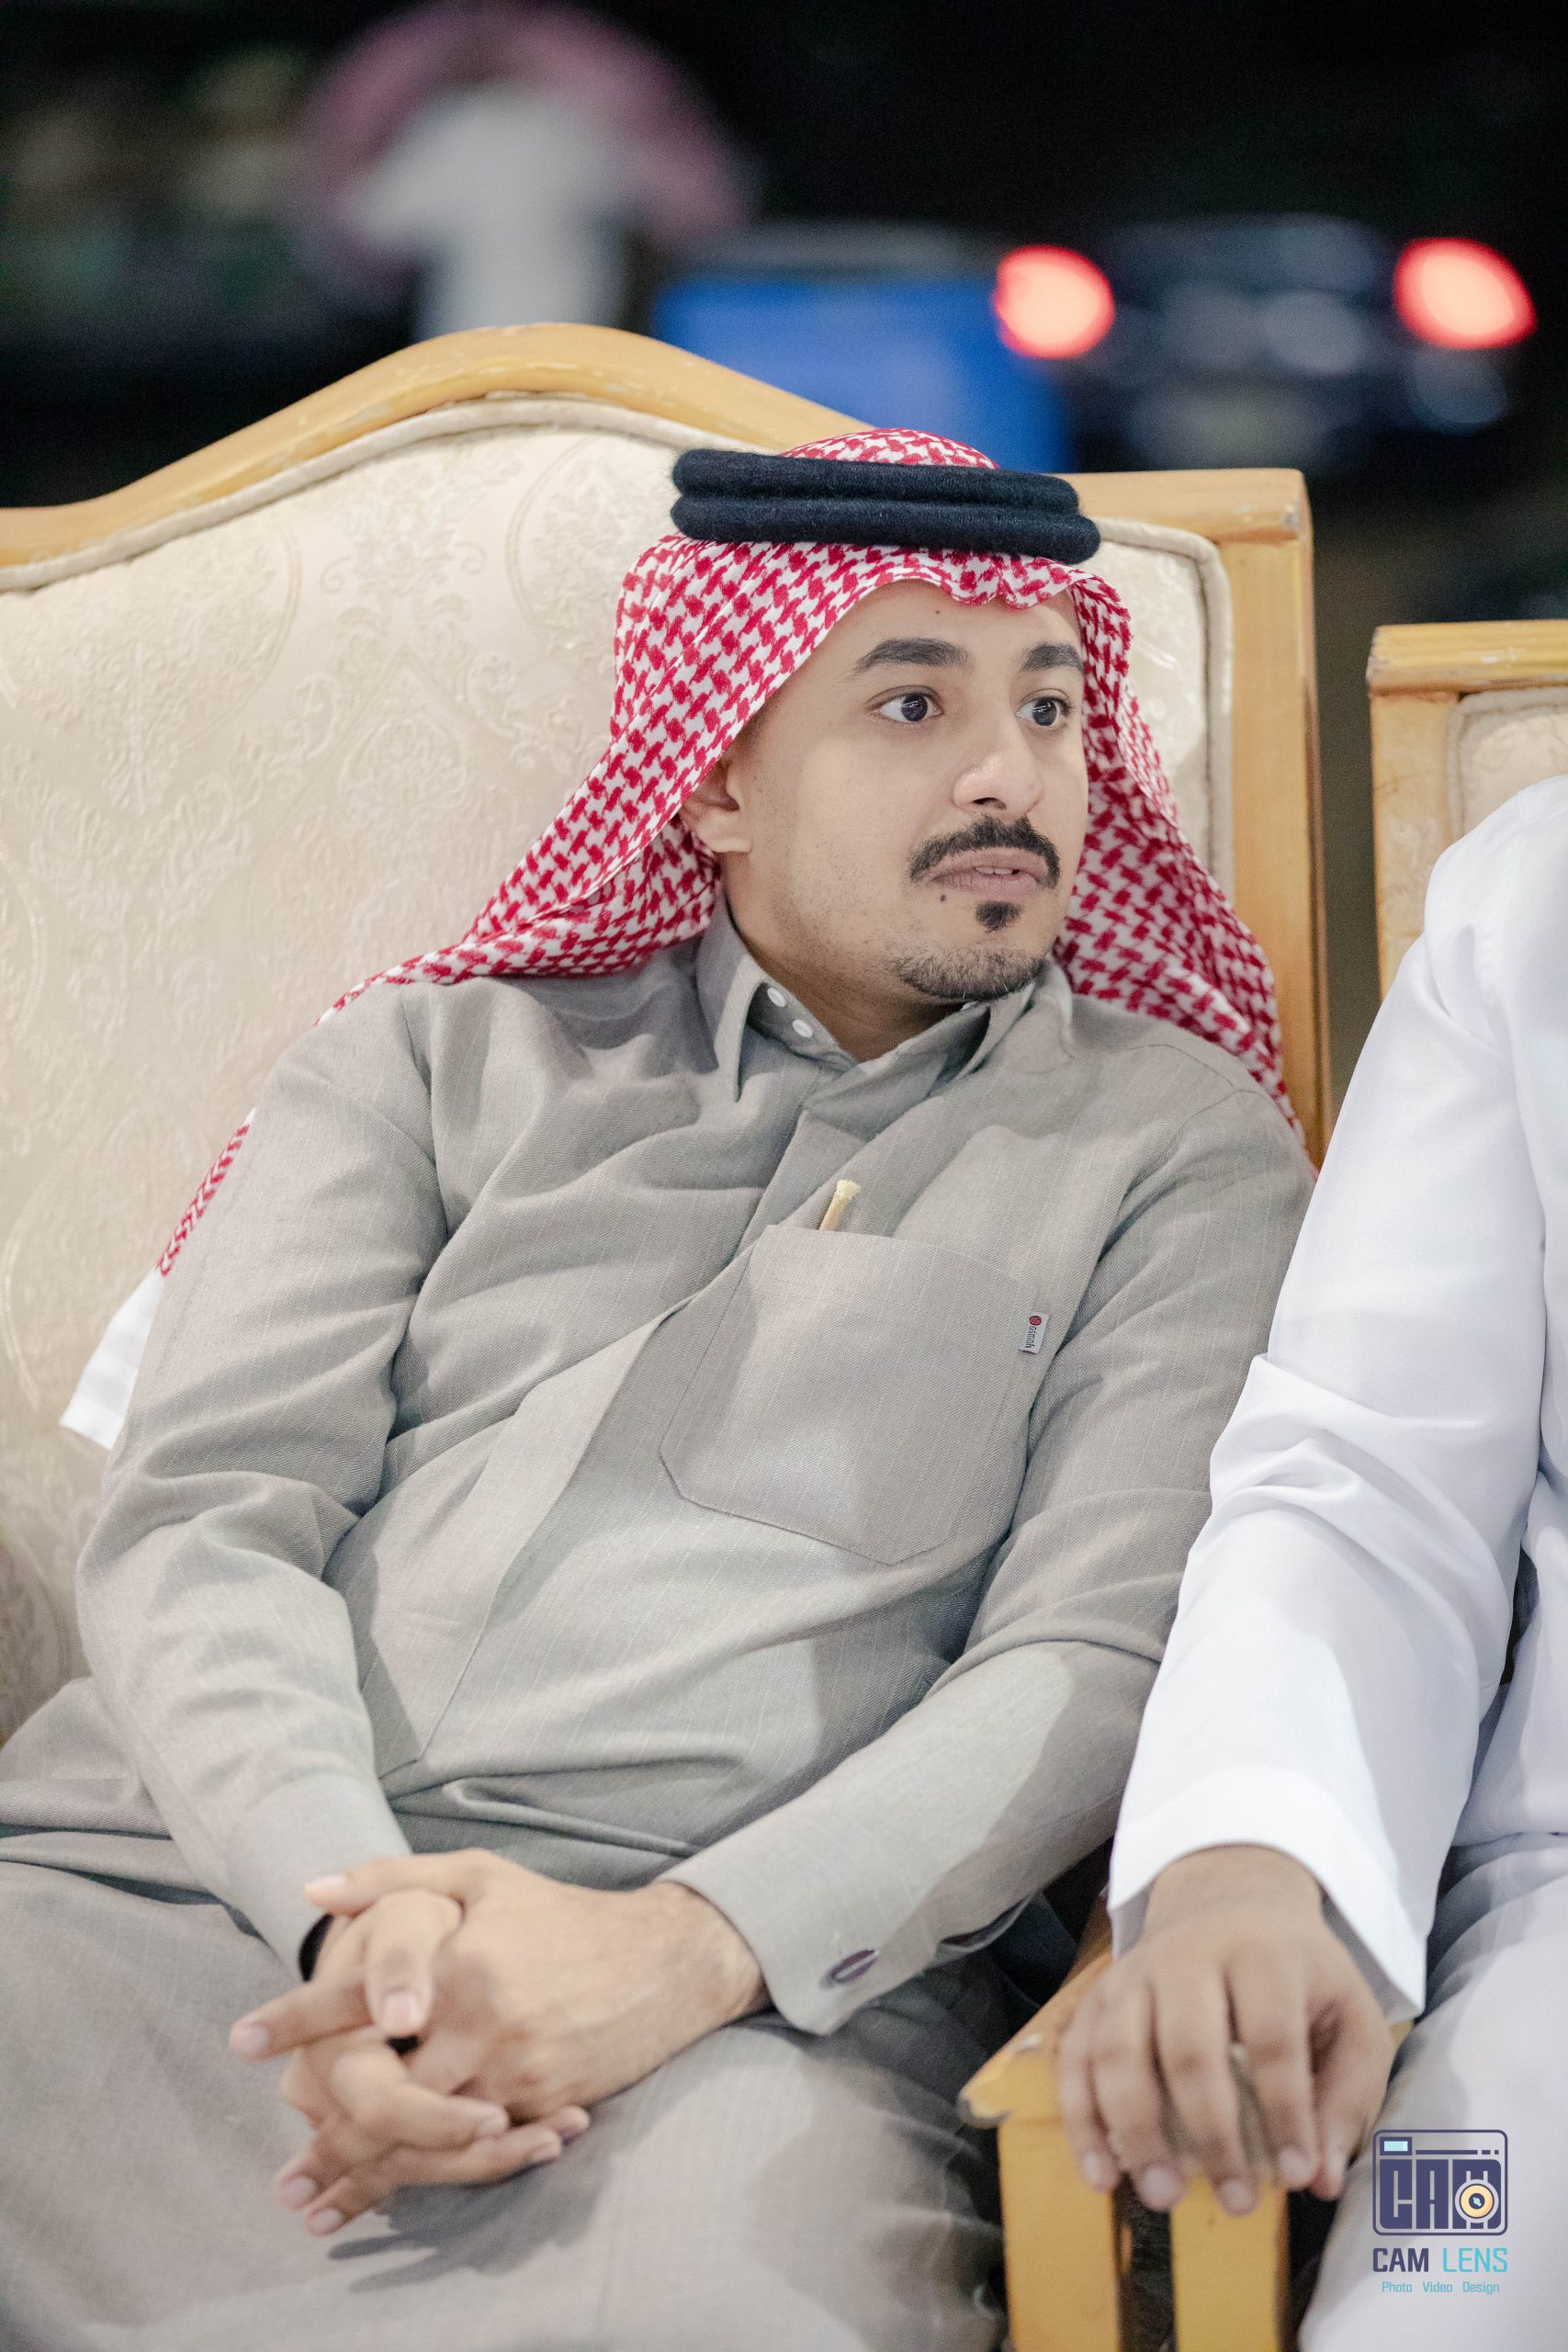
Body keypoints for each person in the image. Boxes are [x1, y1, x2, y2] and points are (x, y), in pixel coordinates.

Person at [0, 428, 1309, 2352]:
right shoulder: (424, 1062)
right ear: (710, 772)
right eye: (913, 703)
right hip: (181, 1898)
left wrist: (674, 1955)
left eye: (1046, 705)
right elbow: (209, 1518)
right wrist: (356, 1920)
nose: (1009, 774)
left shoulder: (1177, 1150)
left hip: (747, 2003)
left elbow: (1095, 1656)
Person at [1059, 775, 1568, 2346]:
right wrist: (1248, 1847)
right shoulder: (1533, 898)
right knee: (1426, 2300)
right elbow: (1366, 1474)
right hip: (1554, 1963)